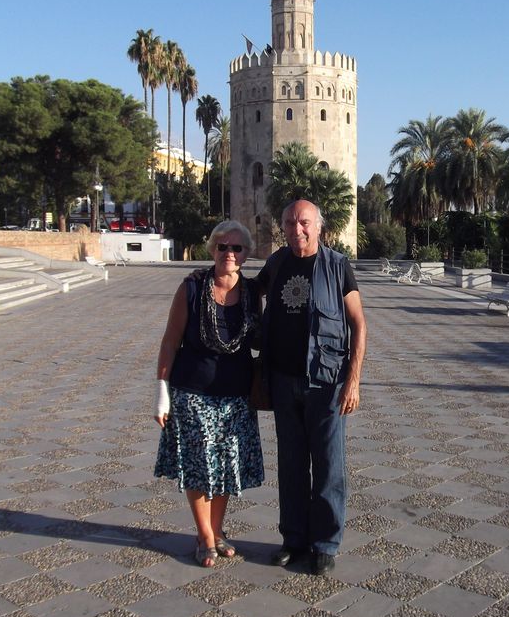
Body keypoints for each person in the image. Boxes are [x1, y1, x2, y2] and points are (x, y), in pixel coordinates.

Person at [256, 200, 367, 577]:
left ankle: (324, 543)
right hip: (283, 382)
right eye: (289, 222)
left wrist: (352, 381)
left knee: (328, 465)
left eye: (303, 222)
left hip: (327, 382)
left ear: (319, 227)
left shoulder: (337, 266)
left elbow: (359, 324)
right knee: (289, 465)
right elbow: (249, 293)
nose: (296, 229)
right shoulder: (276, 264)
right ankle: (294, 539)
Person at [153, 220, 264, 567]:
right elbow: (171, 341)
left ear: (246, 254)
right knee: (200, 466)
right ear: (212, 249)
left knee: (227, 467)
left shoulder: (249, 294)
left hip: (236, 396)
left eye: (236, 248)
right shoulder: (192, 287)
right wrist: (162, 391)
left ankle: (216, 531)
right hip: (193, 392)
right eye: (222, 247)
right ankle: (203, 537)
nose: (229, 253)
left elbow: (260, 339)